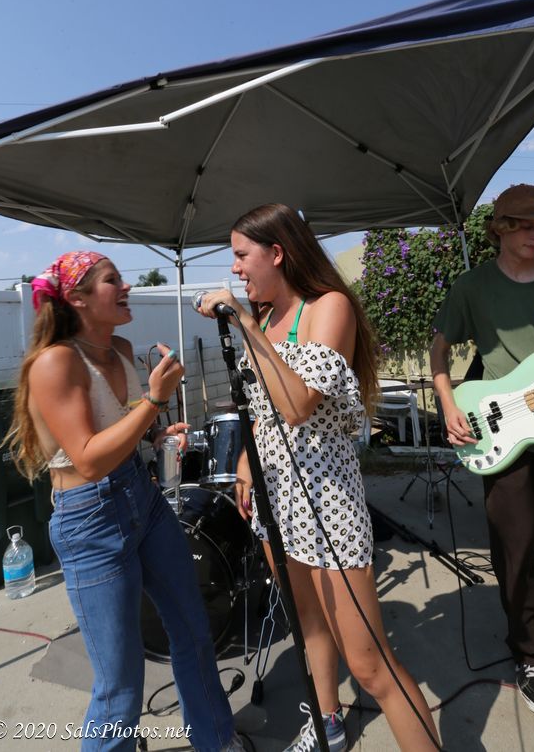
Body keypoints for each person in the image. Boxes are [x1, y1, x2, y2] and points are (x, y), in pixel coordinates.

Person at [196, 204, 440, 752]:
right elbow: (264, 411)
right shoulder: (265, 317)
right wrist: (246, 460)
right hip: (275, 499)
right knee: (308, 624)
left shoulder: (329, 307)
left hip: (326, 503)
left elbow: (298, 404)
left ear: (277, 253)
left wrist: (246, 325)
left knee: (371, 665)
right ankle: (326, 720)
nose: (234, 268)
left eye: (241, 255)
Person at [4, 251, 243, 752]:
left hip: (141, 496)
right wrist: (155, 400)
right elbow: (88, 458)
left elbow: (117, 424)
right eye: (112, 280)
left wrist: (154, 433)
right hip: (89, 520)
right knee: (121, 687)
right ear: (77, 298)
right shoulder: (56, 362)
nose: (127, 286)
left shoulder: (120, 347)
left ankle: (216, 741)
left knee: (194, 631)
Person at [430, 184, 534, 718]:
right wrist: (449, 404)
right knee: (515, 550)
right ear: (501, 228)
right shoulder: (472, 287)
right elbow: (440, 349)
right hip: (502, 430)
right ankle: (531, 657)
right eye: (528, 225)